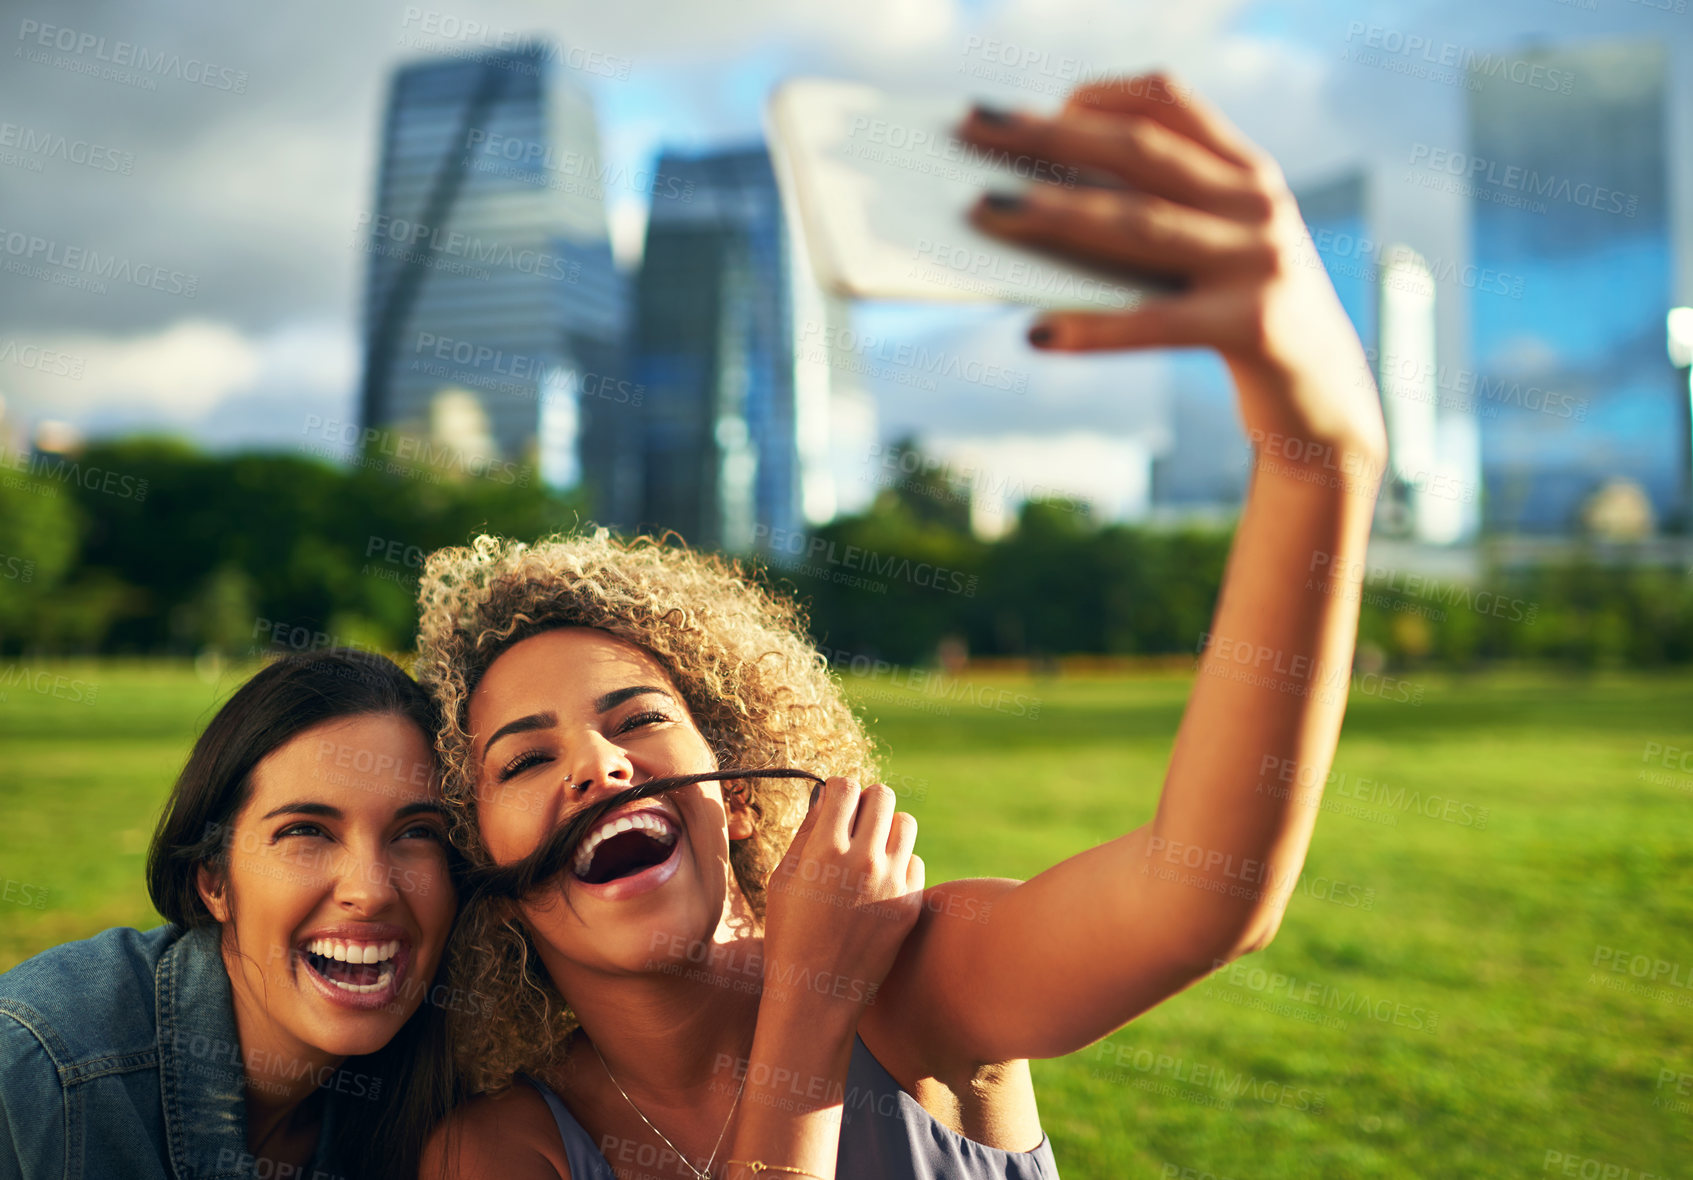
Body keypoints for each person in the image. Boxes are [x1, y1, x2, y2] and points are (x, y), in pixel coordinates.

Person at [415, 71, 1388, 1180]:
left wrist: (1323, 454)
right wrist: (809, 1009)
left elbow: (1201, 889)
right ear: (481, 858)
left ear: (733, 781)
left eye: (636, 716)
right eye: (524, 757)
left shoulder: (918, 987)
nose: (596, 761)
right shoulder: (499, 1148)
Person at [0, 649, 461, 1180]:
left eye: (417, 832)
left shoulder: (465, 1094)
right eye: (305, 830)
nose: (372, 890)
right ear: (214, 880)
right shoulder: (37, 1075)